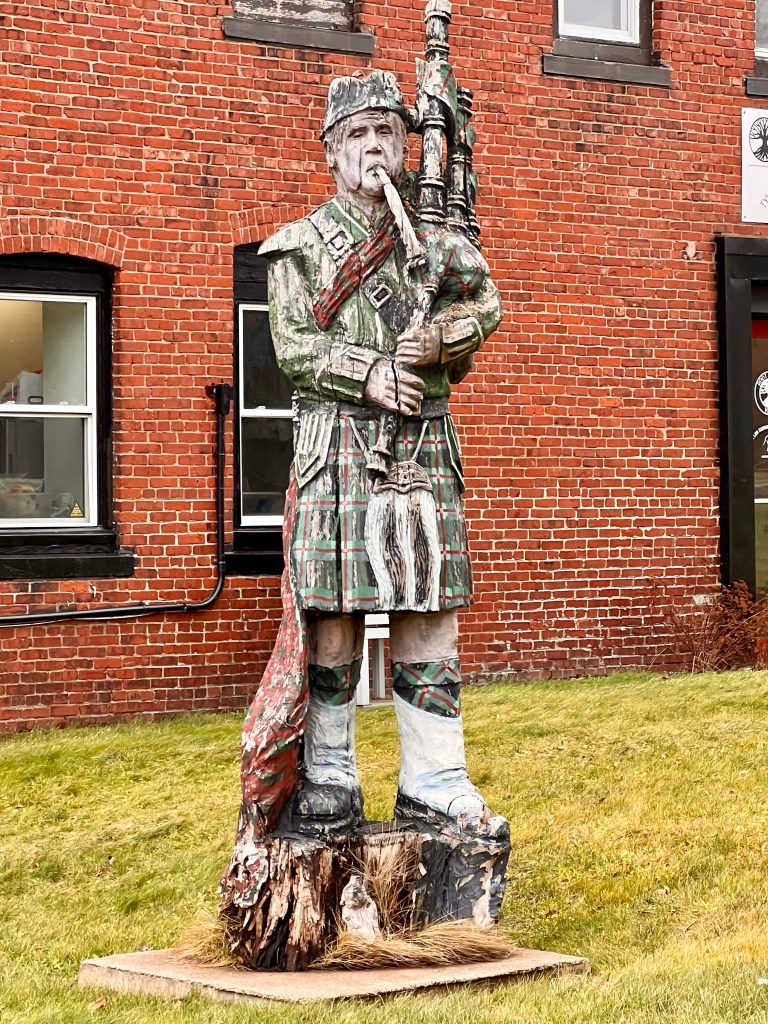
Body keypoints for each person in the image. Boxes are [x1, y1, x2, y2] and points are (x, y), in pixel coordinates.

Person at [259, 69, 505, 838]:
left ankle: (434, 777)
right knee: (333, 615)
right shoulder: (300, 246)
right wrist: (367, 373)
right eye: (357, 134)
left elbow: (486, 304)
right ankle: (330, 773)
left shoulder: (435, 243)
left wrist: (443, 338)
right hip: (336, 441)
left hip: (423, 440)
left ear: (406, 145)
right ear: (332, 151)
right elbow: (294, 345)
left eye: (386, 132)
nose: (373, 147)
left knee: (426, 608)